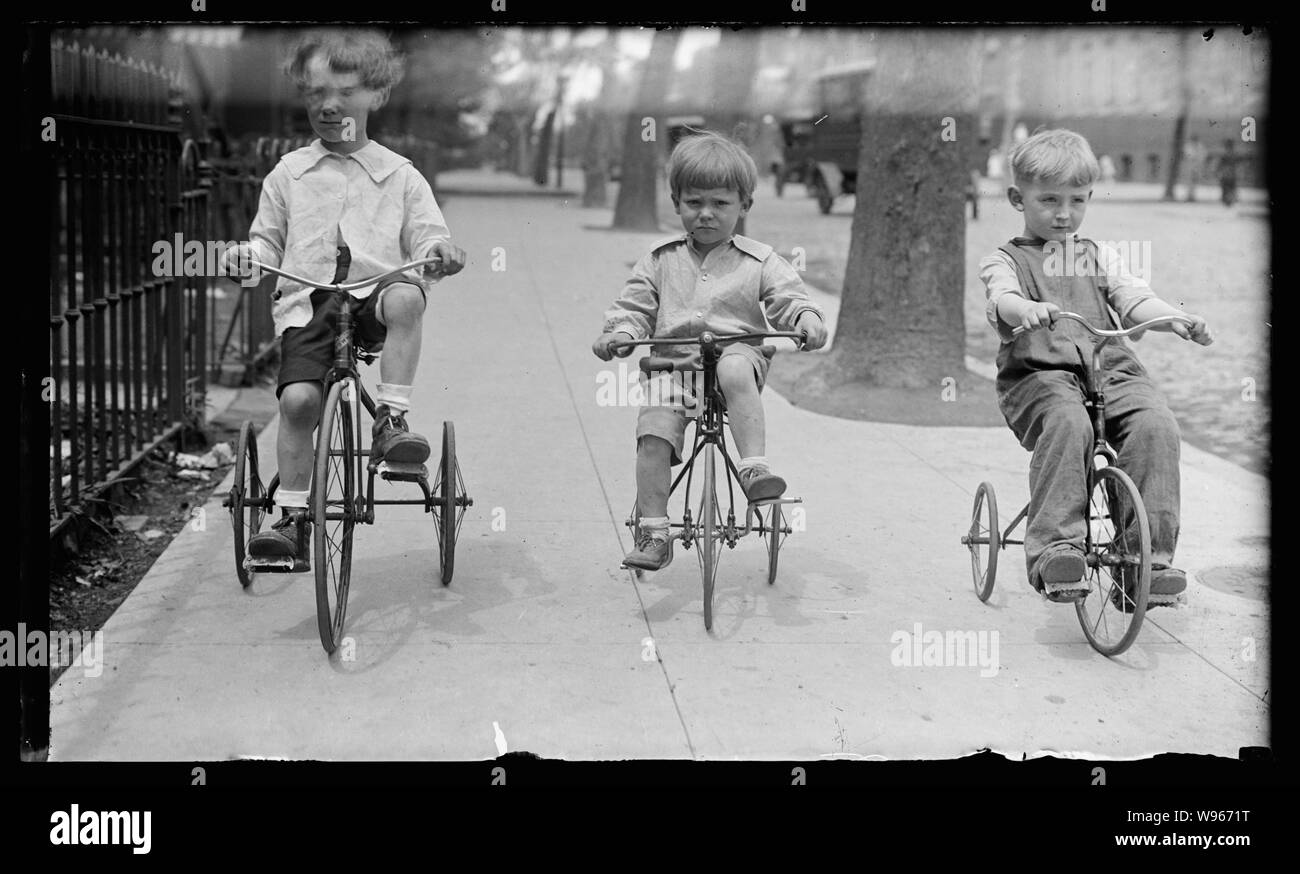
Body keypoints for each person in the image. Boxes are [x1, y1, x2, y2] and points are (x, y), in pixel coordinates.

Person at [224, 29, 467, 570]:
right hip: (309, 302)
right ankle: (290, 520)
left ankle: (391, 422)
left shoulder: (399, 175)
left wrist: (438, 251)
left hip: (373, 299)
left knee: (407, 296)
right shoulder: (288, 173)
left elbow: (427, 235)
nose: (330, 105)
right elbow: (266, 238)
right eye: (316, 93)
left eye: (347, 92)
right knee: (298, 402)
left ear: (376, 96)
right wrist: (247, 254)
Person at [977, 129, 1214, 604]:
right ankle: (1056, 552)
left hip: (1111, 372)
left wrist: (1174, 319)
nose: (1064, 214)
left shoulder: (1098, 257)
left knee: (1157, 425)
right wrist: (1024, 310)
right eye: (1048, 200)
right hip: (1042, 378)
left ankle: (1146, 563)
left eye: (1077, 201)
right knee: (1068, 423)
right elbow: (1000, 297)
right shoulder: (1005, 260)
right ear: (1016, 199)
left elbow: (1134, 298)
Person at [592, 132, 828, 571]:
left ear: (744, 206)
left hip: (736, 358)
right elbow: (634, 306)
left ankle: (754, 468)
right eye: (694, 202)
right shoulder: (660, 259)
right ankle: (655, 532)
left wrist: (805, 320)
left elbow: (788, 297)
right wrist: (620, 332)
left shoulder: (759, 260)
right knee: (653, 427)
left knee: (737, 367)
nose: (705, 214)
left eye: (720, 204)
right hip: (676, 367)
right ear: (676, 202)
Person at [1183, 134, 1207, 202]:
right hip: (1190, 165)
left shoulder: (1200, 146)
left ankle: (1192, 196)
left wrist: (1199, 161)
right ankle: (1188, 195)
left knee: (1195, 181)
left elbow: (1203, 155)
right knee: (1188, 182)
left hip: (1197, 166)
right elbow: (1188, 155)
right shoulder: (1188, 146)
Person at [1218, 138, 1239, 208]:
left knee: (1229, 187)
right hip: (1228, 174)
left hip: (1229, 174)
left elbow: (1221, 164)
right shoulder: (1228, 154)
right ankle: (1228, 200)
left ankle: (1229, 199)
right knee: (1227, 187)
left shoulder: (1231, 154)